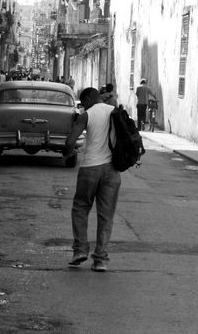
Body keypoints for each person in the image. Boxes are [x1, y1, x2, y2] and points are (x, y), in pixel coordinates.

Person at [63, 87, 120, 272]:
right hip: (112, 171)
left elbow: (70, 141)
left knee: (80, 208)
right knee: (106, 216)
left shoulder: (86, 115)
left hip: (90, 169)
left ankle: (80, 250)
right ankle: (101, 260)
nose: (82, 106)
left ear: (87, 99)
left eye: (82, 102)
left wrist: (68, 153)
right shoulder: (115, 112)